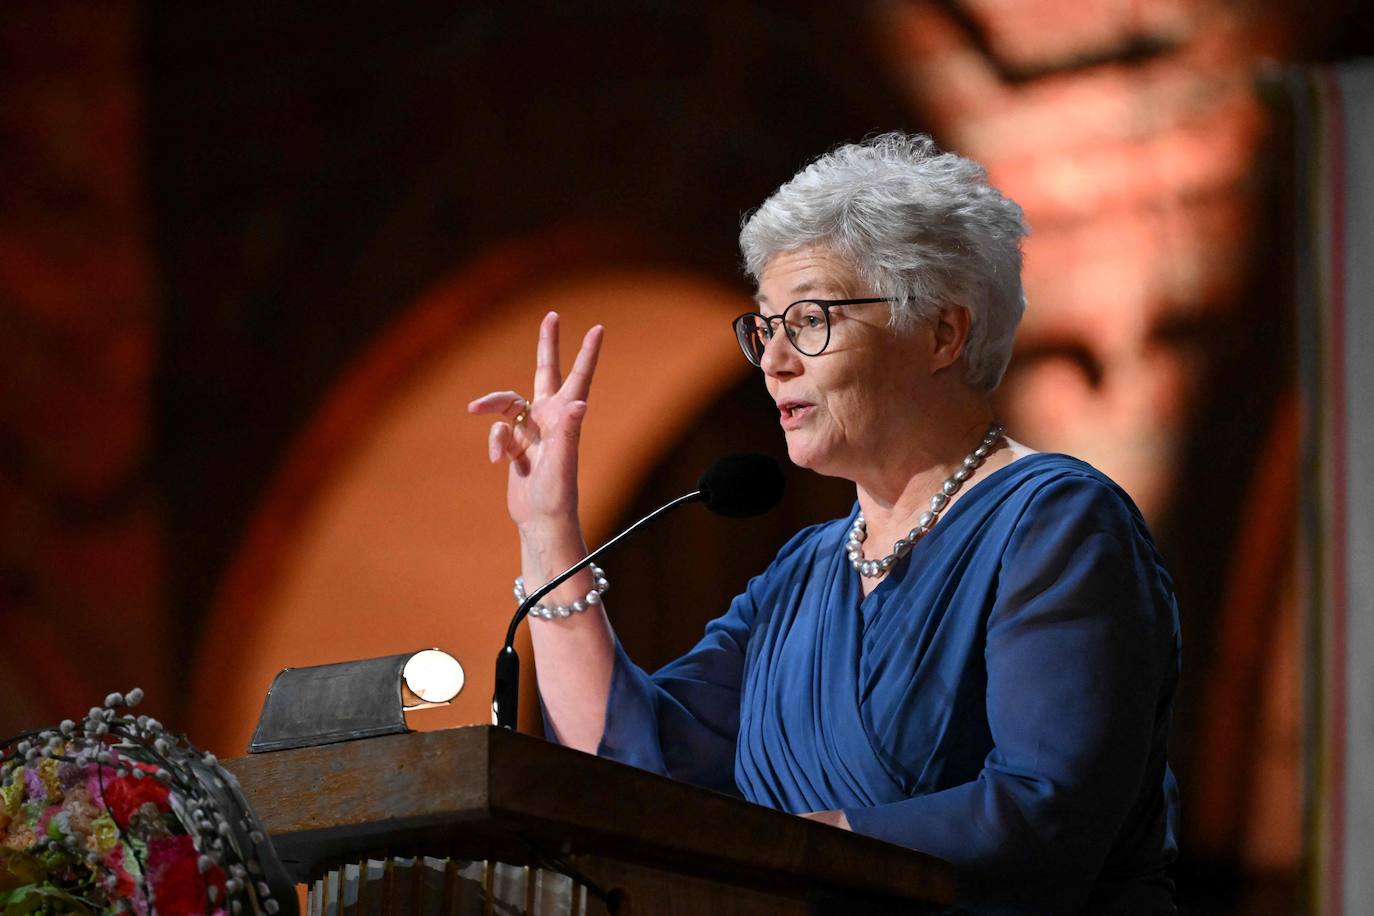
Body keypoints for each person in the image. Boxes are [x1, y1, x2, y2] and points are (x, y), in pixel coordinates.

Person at [469, 133, 1181, 914]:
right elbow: (639, 769)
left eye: (809, 320)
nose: (774, 360)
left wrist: (800, 853)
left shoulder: (1056, 523)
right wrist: (547, 530)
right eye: (765, 328)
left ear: (942, 333)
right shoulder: (802, 575)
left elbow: (1049, 809)